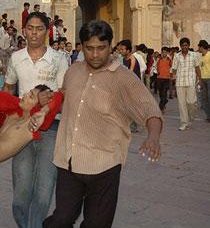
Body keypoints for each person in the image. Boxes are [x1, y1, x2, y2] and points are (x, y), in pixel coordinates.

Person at [43, 20, 163, 228]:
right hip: (68, 161)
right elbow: (66, 100)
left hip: (104, 165)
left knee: (97, 224)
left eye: (101, 48)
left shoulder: (123, 78)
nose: (95, 54)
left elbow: (150, 110)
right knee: (61, 220)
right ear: (82, 46)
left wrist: (153, 137)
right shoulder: (73, 71)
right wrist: (48, 104)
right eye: (90, 48)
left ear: (110, 46)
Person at [3, 12, 68, 228]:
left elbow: (64, 93)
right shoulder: (16, 58)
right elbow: (9, 88)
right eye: (30, 28)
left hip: (51, 128)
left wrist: (45, 106)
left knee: (44, 190)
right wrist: (1, 116)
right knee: (21, 193)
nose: (34, 33)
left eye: (39, 28)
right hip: (22, 129)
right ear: (24, 30)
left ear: (47, 31)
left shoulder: (58, 59)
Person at [172, 37, 202, 130]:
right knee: (182, 104)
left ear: (188, 46)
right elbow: (174, 68)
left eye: (186, 45)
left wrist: (200, 79)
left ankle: (191, 118)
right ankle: (184, 123)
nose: (184, 47)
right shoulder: (177, 56)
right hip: (180, 82)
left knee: (191, 102)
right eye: (183, 45)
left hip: (191, 82)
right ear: (180, 46)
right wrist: (173, 77)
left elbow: (197, 68)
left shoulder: (194, 55)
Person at [156, 47, 172, 112]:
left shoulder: (169, 60)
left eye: (165, 52)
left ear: (167, 53)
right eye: (163, 52)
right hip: (159, 78)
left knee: (164, 93)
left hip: (166, 78)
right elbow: (157, 67)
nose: (164, 53)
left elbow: (172, 67)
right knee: (160, 93)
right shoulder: (159, 60)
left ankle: (161, 107)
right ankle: (165, 101)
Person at [198, 40, 210, 122]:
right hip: (203, 79)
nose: (198, 49)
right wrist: (200, 80)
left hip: (209, 79)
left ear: (202, 47)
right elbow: (200, 69)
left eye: (199, 47)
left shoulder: (209, 55)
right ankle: (208, 116)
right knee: (204, 98)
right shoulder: (200, 57)